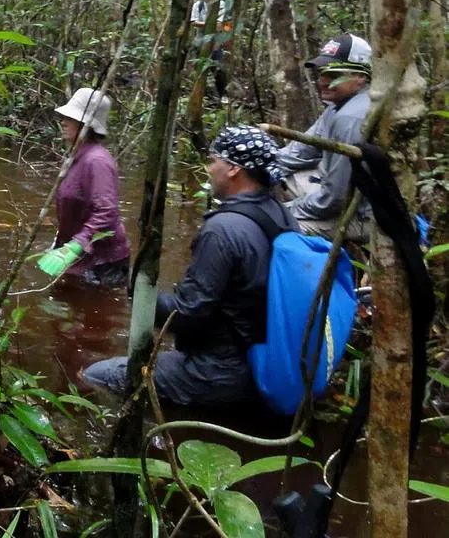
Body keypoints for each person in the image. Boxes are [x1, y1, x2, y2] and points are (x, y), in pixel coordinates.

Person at [81, 125, 297, 407]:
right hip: (267, 359)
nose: (210, 168)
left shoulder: (223, 229)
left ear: (234, 169)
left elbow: (187, 314)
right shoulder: (282, 215)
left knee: (95, 375)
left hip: (221, 371)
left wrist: (139, 292)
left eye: (214, 160)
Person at [276, 34, 373, 243]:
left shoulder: (351, 118)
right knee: (275, 177)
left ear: (360, 76)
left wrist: (283, 211)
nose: (322, 81)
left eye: (334, 75)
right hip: (331, 191)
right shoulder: (337, 107)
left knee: (273, 229)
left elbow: (334, 200)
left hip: (362, 215)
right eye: (322, 73)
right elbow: (299, 152)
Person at [48, 88, 131, 286]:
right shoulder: (75, 156)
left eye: (70, 118)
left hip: (104, 263)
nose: (63, 122)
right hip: (81, 255)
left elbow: (106, 211)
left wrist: (76, 244)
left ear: (87, 124)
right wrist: (60, 244)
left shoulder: (97, 161)